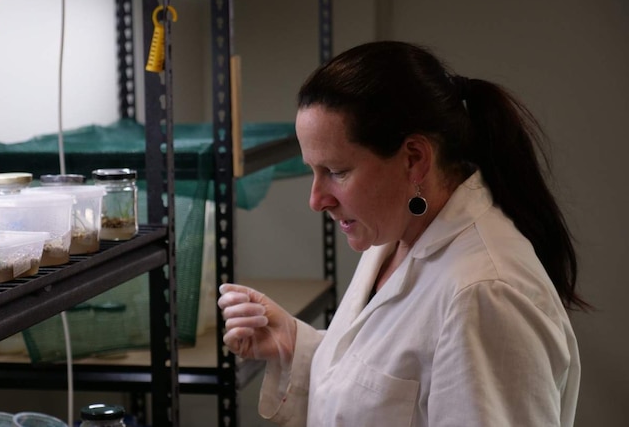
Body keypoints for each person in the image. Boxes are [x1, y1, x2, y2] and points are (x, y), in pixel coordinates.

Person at [218, 41, 585, 426]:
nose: (316, 199)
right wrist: (293, 344)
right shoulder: (397, 236)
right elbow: (390, 387)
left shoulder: (486, 294)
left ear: (414, 159)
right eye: (313, 170)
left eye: (337, 172)